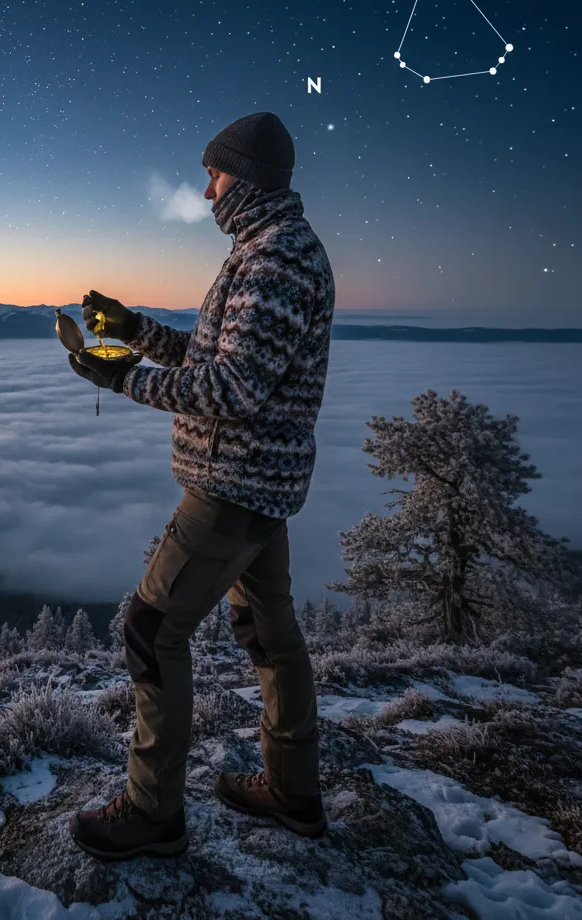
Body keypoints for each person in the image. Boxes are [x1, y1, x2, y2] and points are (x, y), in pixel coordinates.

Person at [66, 111, 335, 860]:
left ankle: (153, 812)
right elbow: (211, 350)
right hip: (262, 485)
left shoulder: (275, 258)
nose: (206, 186)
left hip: (233, 487)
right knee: (272, 639)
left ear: (242, 177)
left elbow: (235, 385)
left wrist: (123, 378)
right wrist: (134, 328)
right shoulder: (268, 249)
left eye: (214, 172)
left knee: (151, 632)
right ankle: (294, 790)